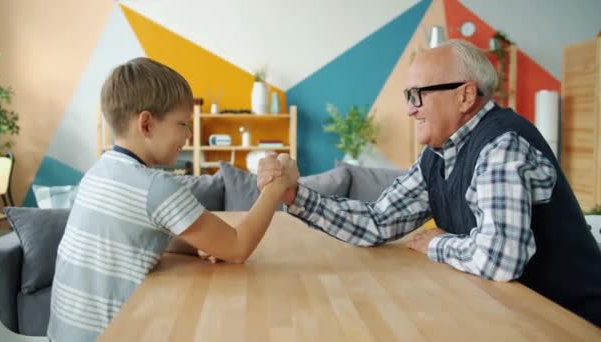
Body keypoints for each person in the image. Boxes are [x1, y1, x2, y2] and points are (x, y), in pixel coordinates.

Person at [257, 39, 601, 327]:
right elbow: (377, 222)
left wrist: (437, 243)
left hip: (570, 321)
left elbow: (500, 258)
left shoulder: (502, 146)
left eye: (417, 95)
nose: (410, 109)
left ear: (465, 96)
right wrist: (295, 195)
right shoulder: (438, 154)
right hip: (513, 315)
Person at [47, 57, 296, 341]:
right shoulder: (155, 187)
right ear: (146, 124)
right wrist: (276, 187)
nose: (188, 135)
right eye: (183, 123)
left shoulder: (98, 172)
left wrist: (199, 245)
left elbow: (136, 236)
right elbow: (238, 247)